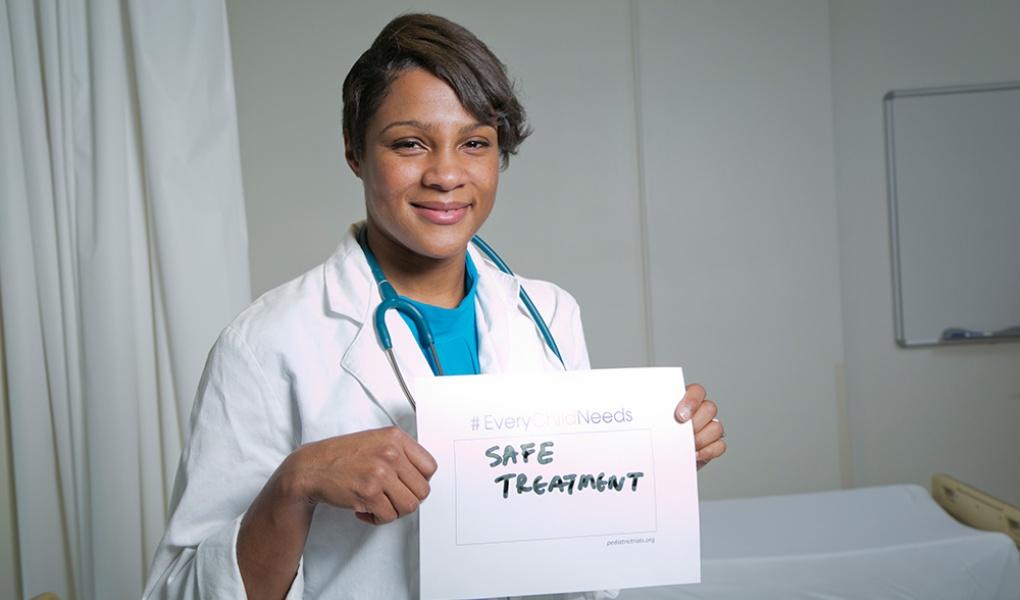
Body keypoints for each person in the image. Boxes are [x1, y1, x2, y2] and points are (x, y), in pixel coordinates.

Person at [143, 13, 725, 600]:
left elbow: (570, 540)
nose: (447, 174)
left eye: (475, 143)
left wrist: (645, 468)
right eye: (409, 143)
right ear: (354, 151)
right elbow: (178, 593)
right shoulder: (267, 343)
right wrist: (296, 484)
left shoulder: (548, 313)